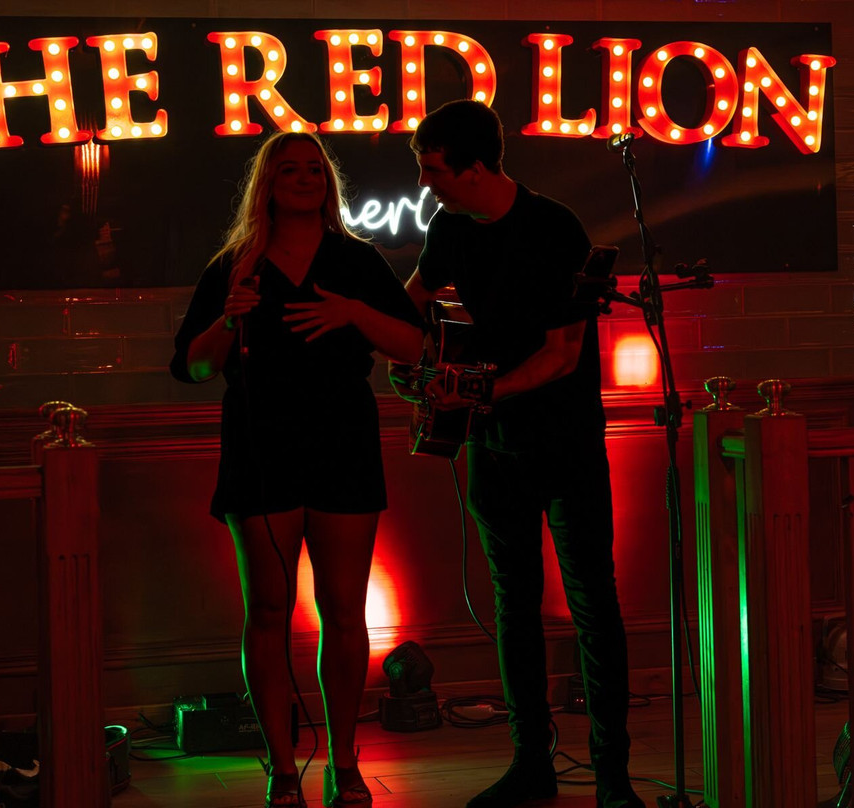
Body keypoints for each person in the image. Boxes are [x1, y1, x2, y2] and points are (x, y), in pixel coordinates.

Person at [400, 100, 644, 808]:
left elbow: (562, 356)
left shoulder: (554, 228)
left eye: (435, 170)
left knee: (592, 601)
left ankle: (613, 776)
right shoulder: (449, 227)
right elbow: (411, 300)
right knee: (514, 605)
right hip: (494, 443)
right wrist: (407, 359)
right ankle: (531, 763)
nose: (427, 184)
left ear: (476, 168)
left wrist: (479, 393)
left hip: (564, 440)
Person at [170, 131, 425, 808]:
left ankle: (344, 761)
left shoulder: (356, 260)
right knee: (268, 609)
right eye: (291, 169)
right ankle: (283, 768)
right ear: (268, 184)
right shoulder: (235, 265)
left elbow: (414, 345)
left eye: (316, 169)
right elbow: (193, 367)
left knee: (343, 609)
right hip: (262, 445)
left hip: (342, 442)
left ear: (329, 183)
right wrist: (228, 320)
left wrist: (354, 312)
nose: (307, 178)